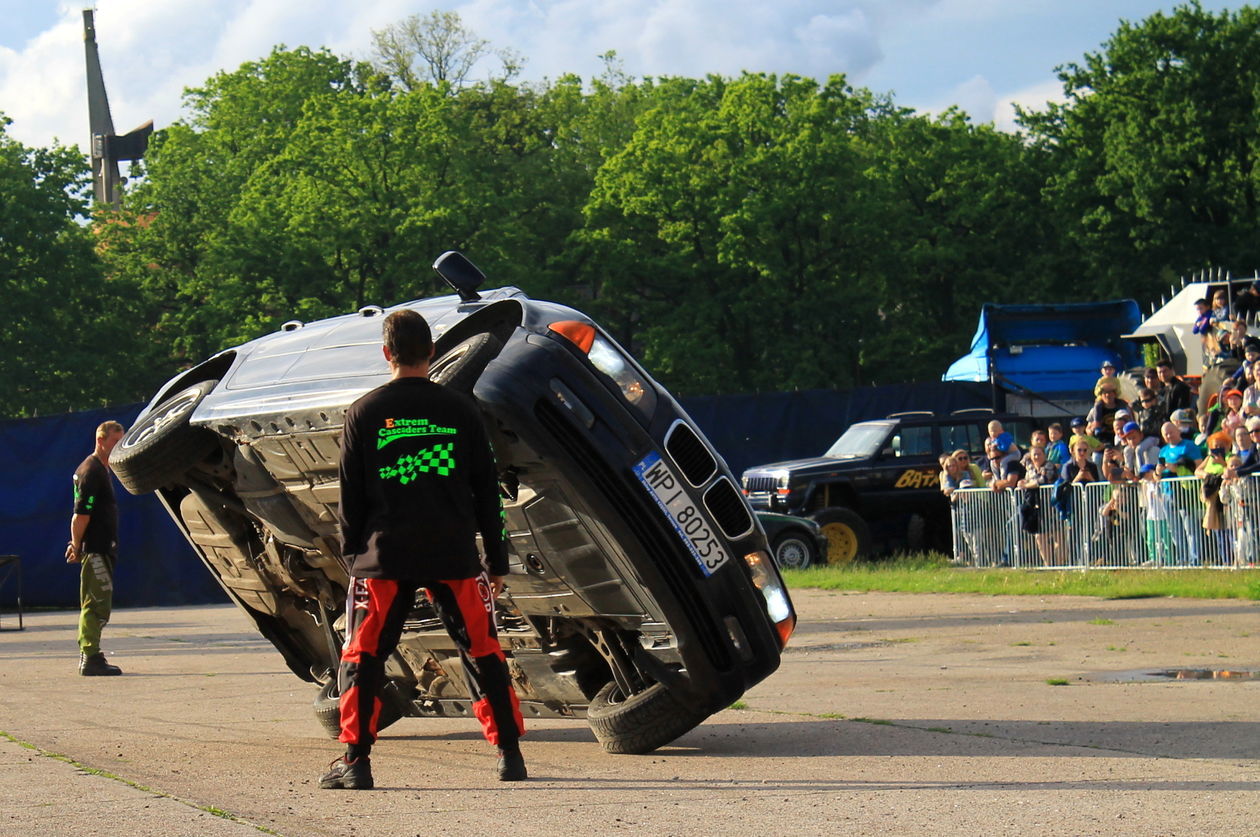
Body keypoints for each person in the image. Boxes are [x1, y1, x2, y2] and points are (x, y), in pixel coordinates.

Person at [319, 310, 525, 791]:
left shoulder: (364, 412)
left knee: (363, 656)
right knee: (483, 651)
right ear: (431, 352)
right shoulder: (461, 410)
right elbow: (486, 492)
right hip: (453, 555)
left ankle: (356, 763)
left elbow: (350, 496)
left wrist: (354, 559)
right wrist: (495, 560)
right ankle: (509, 756)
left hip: (384, 557)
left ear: (386, 353)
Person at [67, 420, 126, 676]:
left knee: (100, 601)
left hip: (103, 546)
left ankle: (91, 654)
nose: (118, 447)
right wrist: (77, 545)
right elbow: (81, 515)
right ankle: (90, 657)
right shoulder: (91, 471)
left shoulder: (103, 470)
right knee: (95, 603)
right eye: (115, 442)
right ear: (101, 441)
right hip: (95, 548)